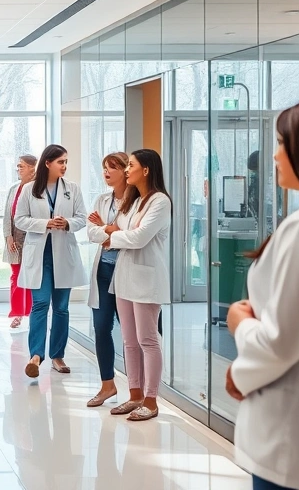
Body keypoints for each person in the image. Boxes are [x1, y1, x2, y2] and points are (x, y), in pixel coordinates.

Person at [225, 97, 299, 490]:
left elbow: (281, 343)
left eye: (280, 143)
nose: (274, 156)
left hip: (296, 436)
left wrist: (239, 325)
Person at [99, 149, 171, 422]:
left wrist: (114, 235)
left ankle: (151, 400)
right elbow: (113, 229)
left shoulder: (160, 202)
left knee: (148, 340)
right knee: (129, 341)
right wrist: (115, 232)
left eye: (131, 165)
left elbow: (138, 238)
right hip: (125, 278)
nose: (127, 170)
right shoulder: (136, 201)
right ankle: (135, 394)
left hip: (146, 280)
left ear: (146, 170)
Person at [14, 144, 87, 378]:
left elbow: (82, 218)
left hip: (63, 252)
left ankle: (57, 355)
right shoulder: (29, 189)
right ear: (47, 163)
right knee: (40, 304)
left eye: (66, 162)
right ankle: (36, 355)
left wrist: (67, 223)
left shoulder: (72, 189)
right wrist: (44, 223)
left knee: (62, 308)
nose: (64, 166)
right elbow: (20, 220)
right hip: (40, 254)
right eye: (60, 162)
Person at [84, 152, 129, 408]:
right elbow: (92, 232)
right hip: (103, 270)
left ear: (125, 171)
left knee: (130, 334)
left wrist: (107, 227)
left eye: (112, 167)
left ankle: (139, 389)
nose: (106, 172)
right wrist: (108, 228)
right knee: (101, 328)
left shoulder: (136, 202)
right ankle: (107, 385)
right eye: (104, 168)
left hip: (127, 272)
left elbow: (131, 233)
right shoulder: (102, 199)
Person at [3, 154, 37, 329]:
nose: (18, 169)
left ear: (33, 167)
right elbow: (7, 215)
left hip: (32, 240)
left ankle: (32, 312)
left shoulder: (39, 188)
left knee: (31, 277)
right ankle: (17, 313)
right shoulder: (13, 188)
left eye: (21, 166)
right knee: (16, 276)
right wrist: (8, 236)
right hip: (14, 240)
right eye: (17, 166)